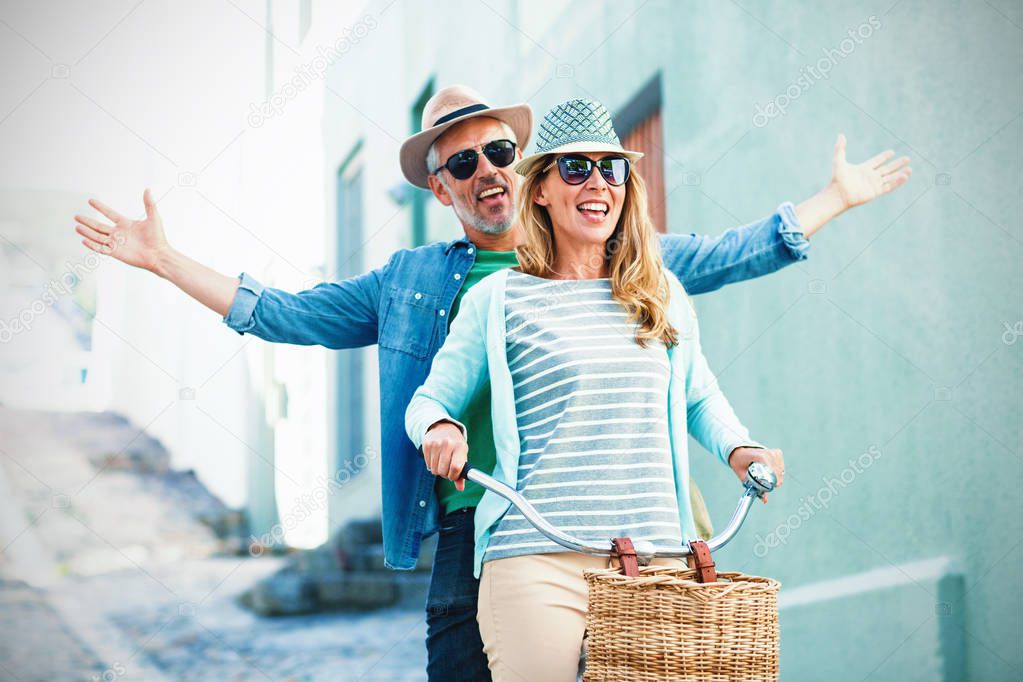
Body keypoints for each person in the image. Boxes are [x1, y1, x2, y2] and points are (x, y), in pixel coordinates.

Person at [73, 84, 910, 681]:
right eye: (462, 161)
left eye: (500, 151)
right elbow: (288, 313)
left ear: (527, 168)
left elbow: (725, 265)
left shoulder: (628, 264)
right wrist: (162, 260)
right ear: (442, 187)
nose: (486, 170)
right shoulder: (414, 281)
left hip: (630, 528)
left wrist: (829, 202)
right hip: (483, 531)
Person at [405, 97, 789, 680]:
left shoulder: (660, 292)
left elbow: (699, 396)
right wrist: (439, 428)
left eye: (610, 168)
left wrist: (741, 449)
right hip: (534, 560)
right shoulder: (500, 299)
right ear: (540, 189)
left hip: (656, 560)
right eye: (576, 168)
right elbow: (429, 401)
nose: (597, 182)